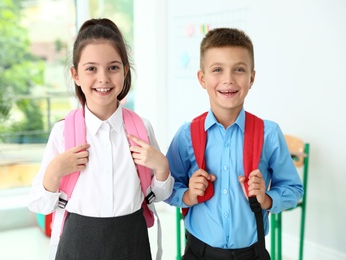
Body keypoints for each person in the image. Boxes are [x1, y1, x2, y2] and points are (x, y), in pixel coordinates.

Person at [28, 18, 174, 260]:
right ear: (75, 74)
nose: (103, 78)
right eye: (91, 68)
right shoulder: (63, 133)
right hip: (78, 244)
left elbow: (159, 195)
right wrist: (54, 172)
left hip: (132, 242)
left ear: (126, 72)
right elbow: (39, 205)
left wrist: (162, 167)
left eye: (113, 67)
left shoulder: (141, 129)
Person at [164, 27, 304, 260]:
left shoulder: (269, 134)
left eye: (239, 69)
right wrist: (188, 194)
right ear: (202, 78)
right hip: (198, 252)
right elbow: (166, 188)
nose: (228, 79)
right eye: (217, 69)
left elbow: (293, 190)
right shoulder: (186, 135)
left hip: (252, 253)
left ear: (251, 78)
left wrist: (267, 199)